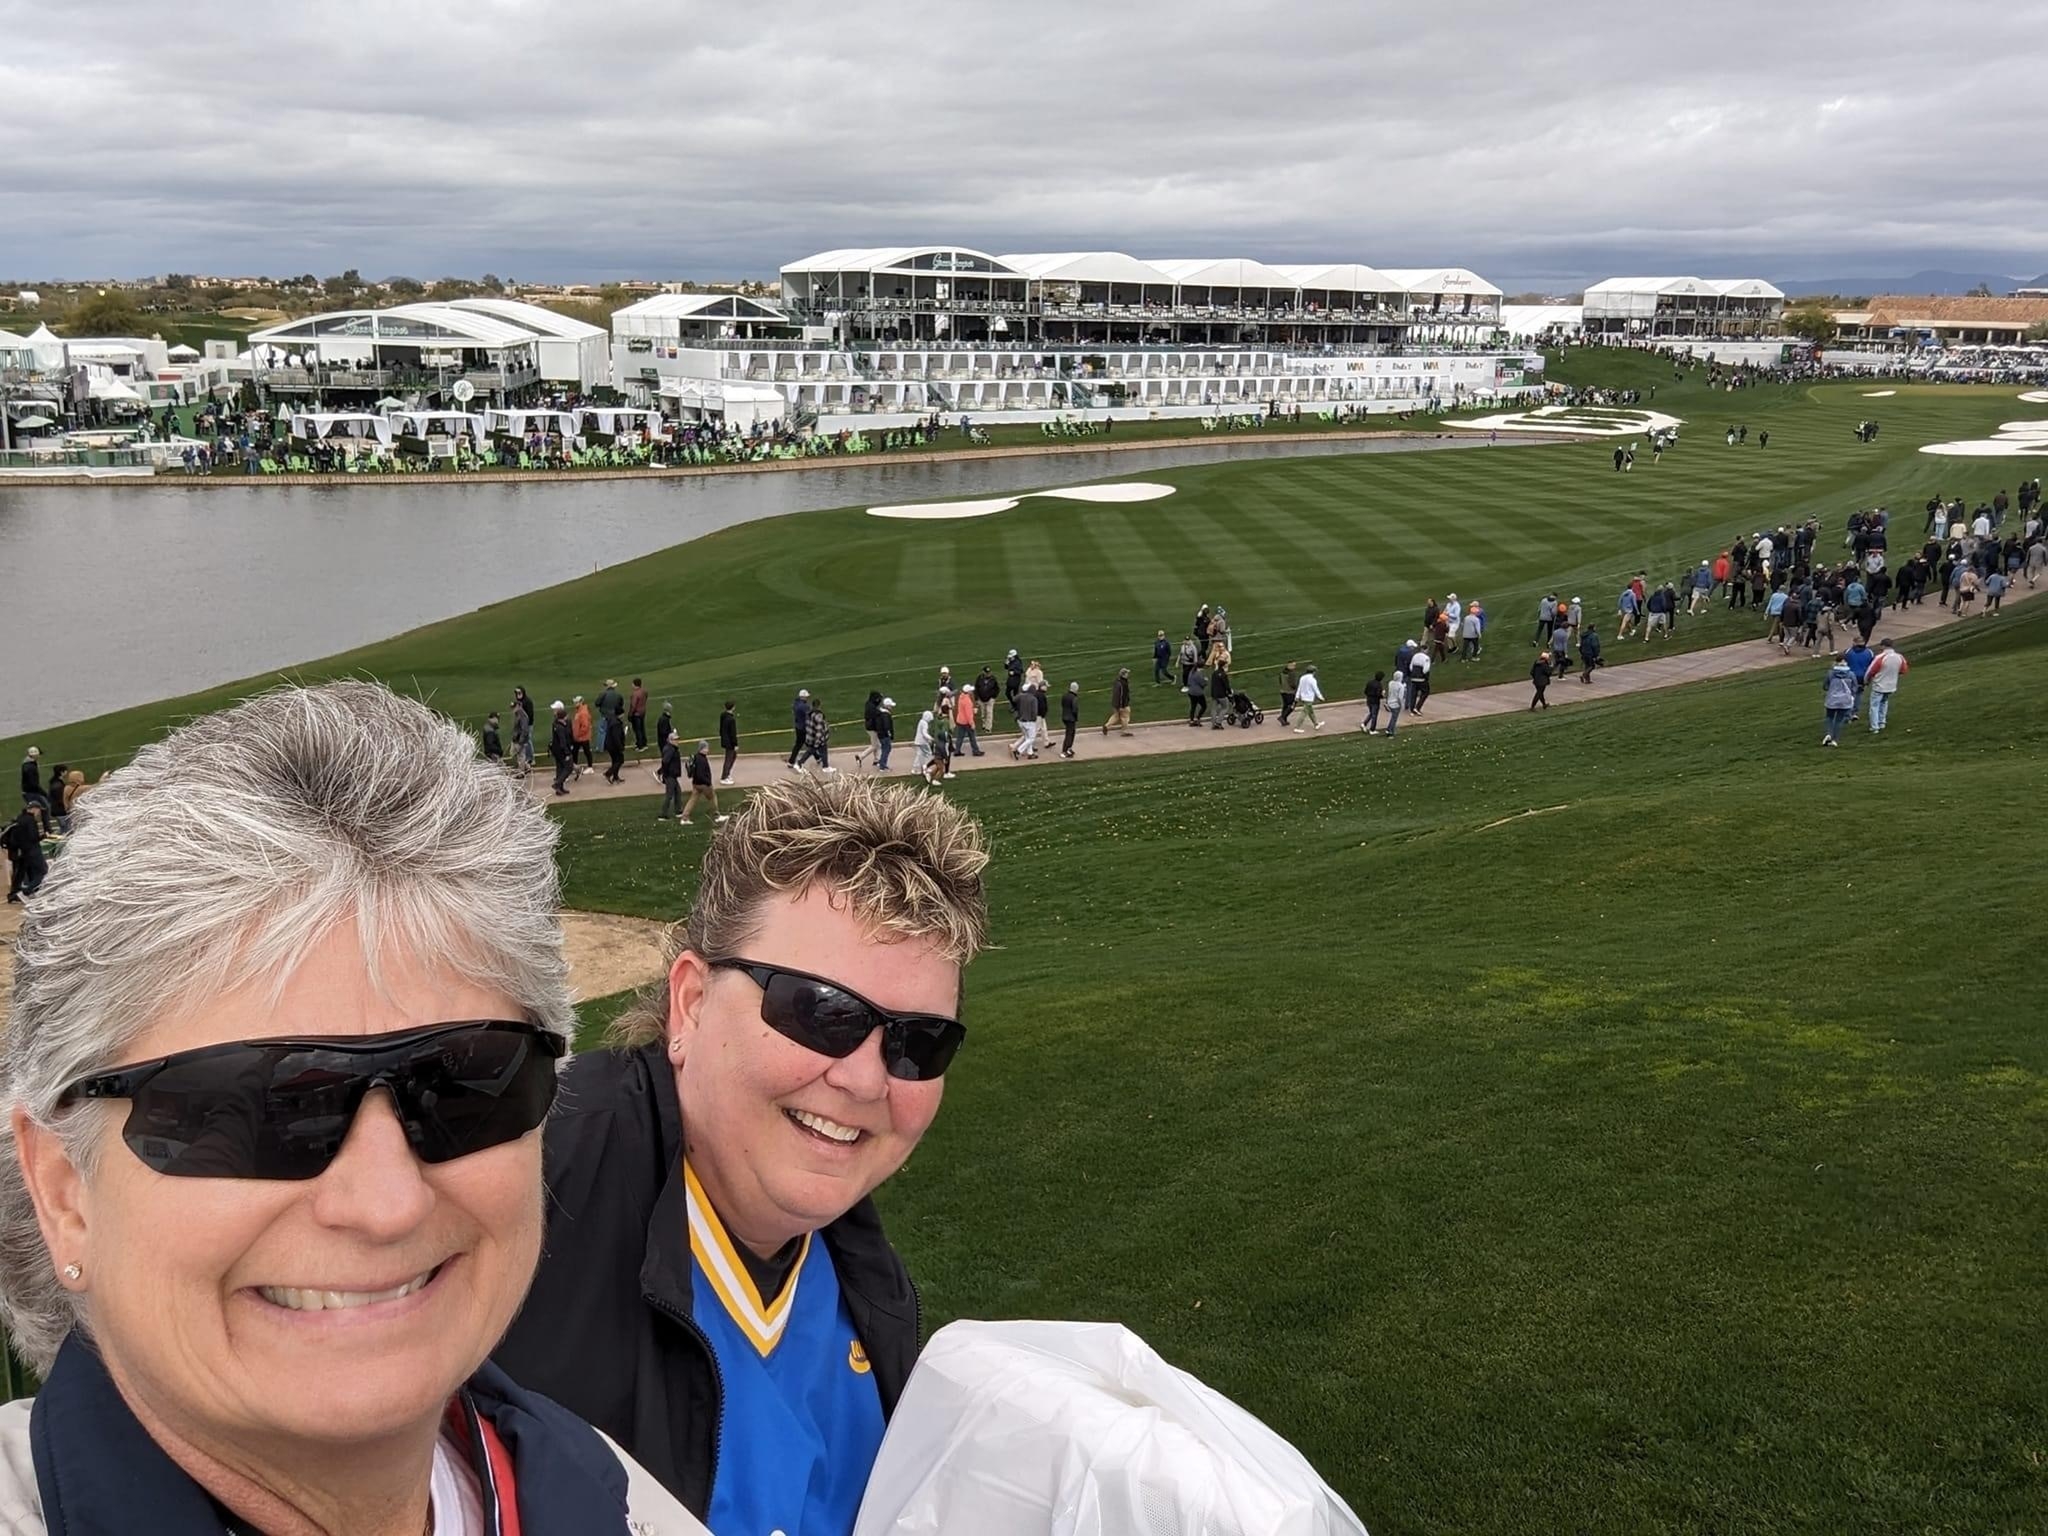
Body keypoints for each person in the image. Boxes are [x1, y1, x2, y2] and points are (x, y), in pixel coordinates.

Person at [0, 683, 703, 1536]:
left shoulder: (613, 1494)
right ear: (64, 1190)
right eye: (258, 1107)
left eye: (461, 1085)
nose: (386, 1203)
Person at [496, 776, 987, 1524]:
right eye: (820, 1010)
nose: (865, 1080)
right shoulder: (520, 1196)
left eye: (918, 1042)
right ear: (691, 1004)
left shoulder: (865, 1283)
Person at [4, 803, 47, 902]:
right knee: (42, 871)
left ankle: (27, 891)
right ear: (34, 809)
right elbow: (33, 837)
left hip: (22, 851)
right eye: (38, 810)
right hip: (32, 850)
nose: (39, 812)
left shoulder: (20, 818)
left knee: (25, 872)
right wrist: (43, 836)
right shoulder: (30, 820)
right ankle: (26, 890)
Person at [1864, 639, 1908, 733]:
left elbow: (1871, 671)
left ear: (1883, 646)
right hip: (1891, 685)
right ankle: (1882, 722)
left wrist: (1866, 681)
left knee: (1874, 706)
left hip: (1879, 685)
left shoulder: (1880, 657)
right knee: (1884, 703)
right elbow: (1903, 670)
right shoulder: (1899, 657)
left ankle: (1874, 727)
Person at [681, 740, 726, 825]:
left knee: (692, 800)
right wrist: (708, 783)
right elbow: (701, 774)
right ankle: (717, 816)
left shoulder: (696, 757)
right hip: (704, 784)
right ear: (702, 749)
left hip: (696, 783)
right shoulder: (702, 760)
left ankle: (684, 818)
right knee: (712, 797)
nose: (708, 750)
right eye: (706, 748)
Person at [1820, 657, 1857, 746]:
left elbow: (1825, 686)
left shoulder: (1831, 674)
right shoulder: (1851, 674)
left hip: (1832, 700)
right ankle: (1834, 740)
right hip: (1845, 701)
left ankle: (1829, 734)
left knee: (1830, 717)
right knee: (1839, 720)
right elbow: (1854, 687)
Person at [795, 696, 835, 775]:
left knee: (820, 751)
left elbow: (808, 726)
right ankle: (800, 763)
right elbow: (819, 729)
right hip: (818, 739)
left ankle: (825, 766)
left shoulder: (809, 714)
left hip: (811, 737)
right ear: (819, 706)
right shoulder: (818, 716)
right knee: (813, 751)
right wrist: (818, 740)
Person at [657, 729, 686, 820]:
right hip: (670, 775)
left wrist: (661, 772)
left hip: (672, 775)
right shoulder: (670, 750)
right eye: (675, 739)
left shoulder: (672, 749)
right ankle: (663, 814)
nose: (677, 741)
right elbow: (665, 762)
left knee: (678, 792)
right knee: (669, 795)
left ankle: (678, 811)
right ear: (670, 740)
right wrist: (664, 774)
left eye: (677, 739)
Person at [550, 698, 576, 795]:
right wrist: (567, 752)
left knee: (560, 768)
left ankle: (560, 788)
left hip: (557, 749)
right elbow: (563, 740)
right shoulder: (560, 726)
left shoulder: (557, 723)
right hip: (561, 750)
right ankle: (557, 784)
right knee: (568, 767)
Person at [952, 684, 983, 757]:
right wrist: (972, 723)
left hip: (960, 720)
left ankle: (957, 751)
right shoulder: (967, 701)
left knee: (960, 737)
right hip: (966, 722)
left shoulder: (961, 697)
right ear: (968, 692)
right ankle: (976, 751)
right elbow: (968, 714)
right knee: (972, 737)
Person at [1012, 684, 1043, 757]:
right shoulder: (1033, 699)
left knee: (1027, 737)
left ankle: (1030, 753)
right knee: (1031, 738)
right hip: (1029, 721)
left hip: (1021, 721)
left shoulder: (1021, 696)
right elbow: (1034, 711)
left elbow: (1014, 699)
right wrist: (1034, 719)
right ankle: (1019, 750)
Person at [1292, 665, 1324, 732]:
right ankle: (1297, 727)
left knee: (1310, 711)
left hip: (1303, 698)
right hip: (1309, 699)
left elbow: (1299, 687)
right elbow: (1316, 689)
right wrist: (1320, 697)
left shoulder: (1302, 678)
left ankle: (1316, 724)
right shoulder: (1312, 680)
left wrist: (1297, 696)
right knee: (1304, 713)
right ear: (1313, 672)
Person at [1102, 668, 1133, 736]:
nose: (1128, 674)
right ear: (1124, 675)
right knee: (1125, 717)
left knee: (1115, 716)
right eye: (1127, 673)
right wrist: (1121, 706)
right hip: (1123, 704)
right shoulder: (1123, 684)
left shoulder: (1117, 681)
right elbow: (1122, 695)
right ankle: (1124, 731)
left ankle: (1106, 726)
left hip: (1115, 703)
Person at [787, 689, 812, 769]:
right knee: (808, 743)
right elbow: (809, 716)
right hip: (804, 727)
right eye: (806, 697)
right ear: (803, 697)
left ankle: (791, 761)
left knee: (801, 743)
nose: (807, 698)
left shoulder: (796, 703)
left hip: (798, 726)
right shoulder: (804, 706)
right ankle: (792, 761)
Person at [571, 695, 595, 773]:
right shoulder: (579, 711)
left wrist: (578, 734)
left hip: (582, 737)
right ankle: (575, 767)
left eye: (576, 702)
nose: (575, 704)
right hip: (579, 737)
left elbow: (585, 726)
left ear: (581, 702)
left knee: (586, 751)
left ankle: (590, 767)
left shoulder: (583, 712)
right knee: (575, 752)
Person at [718, 700, 739, 784]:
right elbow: (733, 733)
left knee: (732, 756)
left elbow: (721, 729)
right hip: (730, 742)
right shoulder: (731, 719)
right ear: (733, 707)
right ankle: (724, 777)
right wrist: (735, 744)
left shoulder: (723, 715)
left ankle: (727, 774)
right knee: (729, 759)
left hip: (725, 740)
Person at [1407, 648, 1432, 715]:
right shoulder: (1426, 658)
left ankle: (1412, 709)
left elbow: (1411, 667)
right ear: (1425, 650)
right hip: (1421, 678)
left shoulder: (1415, 656)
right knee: (1425, 692)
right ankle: (1417, 708)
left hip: (1413, 678)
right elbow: (1425, 669)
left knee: (1413, 694)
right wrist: (1424, 675)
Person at [873, 696, 896, 772]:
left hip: (881, 734)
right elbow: (887, 726)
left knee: (884, 749)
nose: (891, 707)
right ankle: (882, 766)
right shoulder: (886, 715)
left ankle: (881, 763)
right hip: (884, 735)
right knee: (886, 749)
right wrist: (889, 734)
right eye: (891, 706)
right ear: (887, 706)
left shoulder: (880, 713)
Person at [1380, 669, 1406, 736]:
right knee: (1394, 719)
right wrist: (1401, 705)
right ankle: (1390, 731)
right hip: (1396, 704)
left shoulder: (1391, 683)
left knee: (1393, 718)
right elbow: (1400, 697)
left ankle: (1389, 729)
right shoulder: (1401, 686)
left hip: (1389, 702)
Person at [629, 677, 650, 752]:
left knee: (637, 730)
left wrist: (630, 714)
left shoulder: (635, 694)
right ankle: (644, 743)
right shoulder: (644, 691)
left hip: (636, 713)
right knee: (642, 728)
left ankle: (640, 745)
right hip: (642, 712)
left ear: (635, 684)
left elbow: (633, 705)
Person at [1060, 682, 1080, 758]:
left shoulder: (1064, 696)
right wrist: (1076, 717)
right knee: (1070, 734)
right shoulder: (1074, 698)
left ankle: (1068, 748)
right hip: (1071, 718)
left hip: (1064, 717)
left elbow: (1062, 705)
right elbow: (1075, 709)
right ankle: (1064, 750)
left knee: (1070, 733)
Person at [1277, 661, 1298, 727]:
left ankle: (1284, 720)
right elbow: (1292, 684)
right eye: (1294, 665)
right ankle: (1283, 717)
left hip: (1283, 691)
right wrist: (1296, 688)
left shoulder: (1282, 672)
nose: (1295, 667)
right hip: (1290, 692)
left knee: (1285, 705)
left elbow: (1280, 681)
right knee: (1292, 705)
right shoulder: (1292, 674)